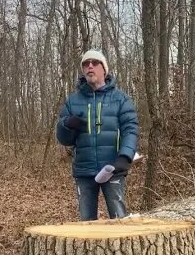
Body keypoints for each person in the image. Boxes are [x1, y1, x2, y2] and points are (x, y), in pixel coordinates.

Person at [56, 50, 141, 221]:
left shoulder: (121, 99)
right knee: (86, 224)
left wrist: (125, 157)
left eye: (94, 63)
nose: (90, 66)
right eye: (86, 64)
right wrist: (66, 125)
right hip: (84, 170)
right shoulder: (73, 101)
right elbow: (64, 139)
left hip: (112, 169)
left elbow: (130, 130)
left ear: (104, 69)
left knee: (119, 221)